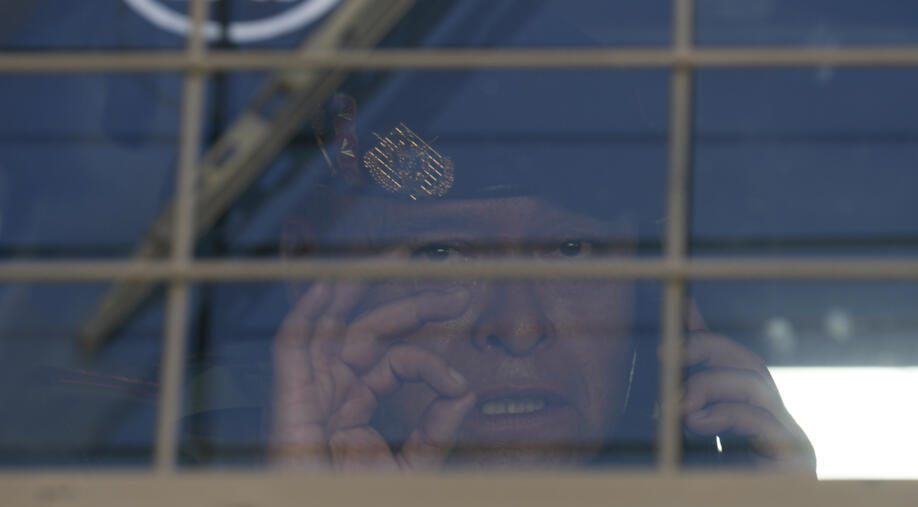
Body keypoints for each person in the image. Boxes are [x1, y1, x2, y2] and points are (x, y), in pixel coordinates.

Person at [268, 86, 815, 472]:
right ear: (307, 266)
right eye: (439, 253)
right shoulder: (189, 488)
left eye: (572, 249)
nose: (520, 327)